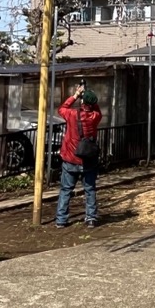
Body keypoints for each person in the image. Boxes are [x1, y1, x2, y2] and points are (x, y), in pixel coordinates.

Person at [55, 83, 103, 228]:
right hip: (88, 160)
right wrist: (91, 99)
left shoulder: (72, 115)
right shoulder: (95, 117)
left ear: (82, 102)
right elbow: (97, 109)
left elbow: (61, 109)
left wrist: (76, 95)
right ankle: (91, 218)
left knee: (66, 190)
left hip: (71, 158)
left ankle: (61, 220)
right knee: (90, 189)